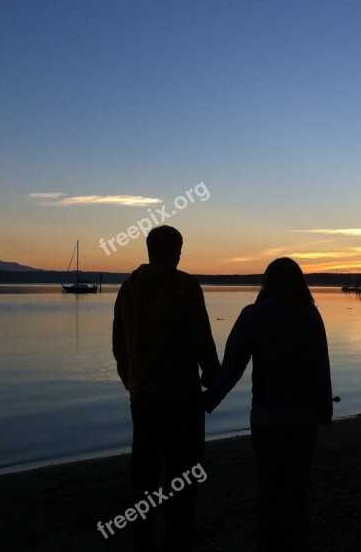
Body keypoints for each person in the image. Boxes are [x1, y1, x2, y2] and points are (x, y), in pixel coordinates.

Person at [204, 257, 332, 552]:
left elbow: (233, 365)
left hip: (267, 418)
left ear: (268, 282)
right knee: (297, 491)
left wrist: (210, 400)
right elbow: (320, 369)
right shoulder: (311, 315)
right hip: (304, 417)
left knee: (270, 491)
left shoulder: (253, 314)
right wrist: (325, 409)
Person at [113, 225, 220, 552]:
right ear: (176, 252)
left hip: (143, 399)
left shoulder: (128, 289)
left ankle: (143, 542)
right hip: (182, 400)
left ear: (149, 251)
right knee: (183, 480)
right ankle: (178, 541)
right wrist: (212, 378)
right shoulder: (185, 286)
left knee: (144, 478)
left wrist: (132, 381)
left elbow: (119, 344)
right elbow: (202, 338)